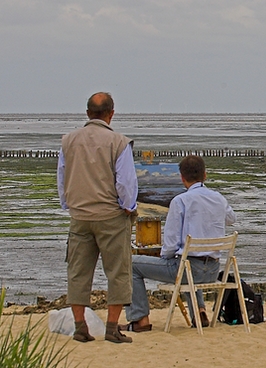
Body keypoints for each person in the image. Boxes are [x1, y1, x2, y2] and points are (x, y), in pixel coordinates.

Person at [58, 91, 137, 344]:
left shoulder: (68, 141)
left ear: (87, 113)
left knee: (78, 272)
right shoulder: (119, 142)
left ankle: (81, 326)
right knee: (118, 271)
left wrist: (67, 204)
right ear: (111, 114)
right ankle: (112, 328)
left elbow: (62, 176)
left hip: (79, 214)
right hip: (110, 215)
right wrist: (128, 207)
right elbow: (125, 182)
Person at [125, 154, 237, 332]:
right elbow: (231, 219)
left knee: (130, 264)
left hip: (188, 270)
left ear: (182, 178)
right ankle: (199, 311)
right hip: (213, 270)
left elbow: (169, 245)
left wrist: (163, 257)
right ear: (205, 175)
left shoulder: (180, 201)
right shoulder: (218, 198)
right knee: (187, 261)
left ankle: (139, 319)